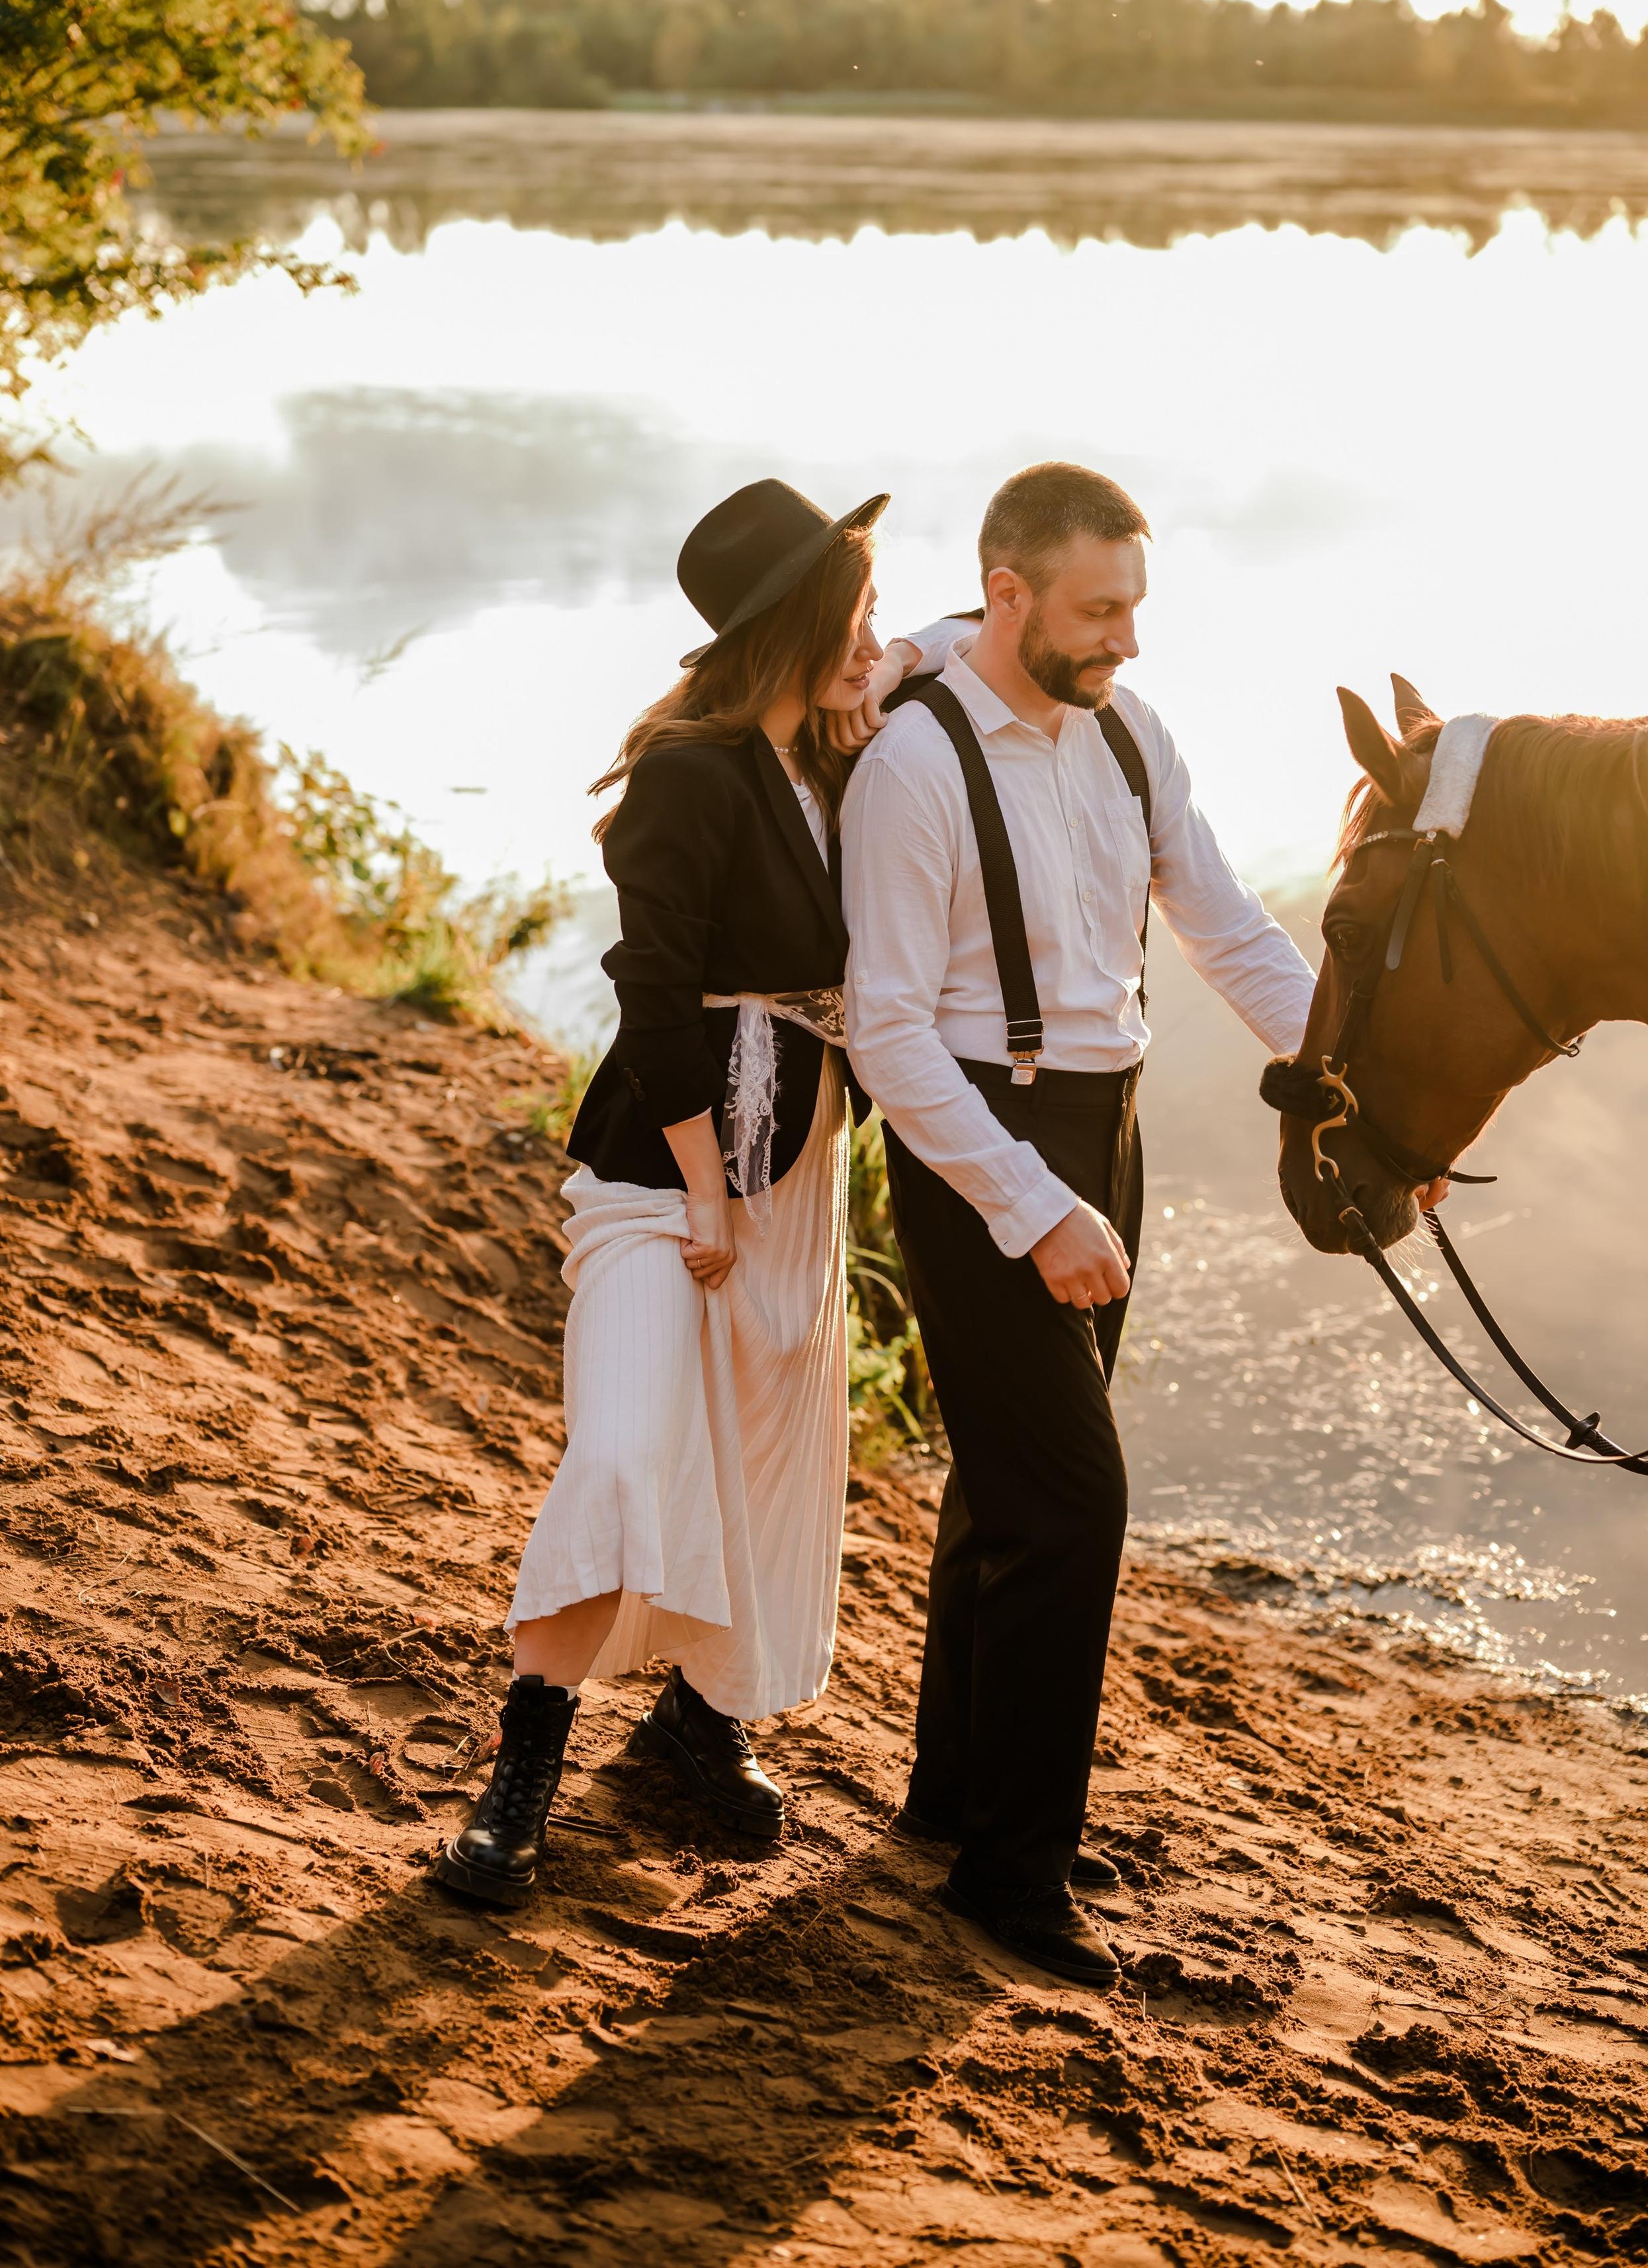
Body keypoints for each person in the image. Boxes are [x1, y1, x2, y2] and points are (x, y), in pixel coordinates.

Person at [840, 460, 1318, 1989]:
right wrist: (1033, 1208)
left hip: (1103, 1123)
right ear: (1006, 594)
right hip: (976, 1136)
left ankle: (954, 1796)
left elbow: (1225, 925)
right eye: (1098, 608)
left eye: (1133, 605)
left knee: (1005, 1479)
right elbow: (889, 1031)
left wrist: (1354, 1084)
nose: (1125, 637)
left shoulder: (1128, 732)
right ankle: (1010, 1871)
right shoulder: (913, 761)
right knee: (1072, 1502)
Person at [437, 478, 889, 1907]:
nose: (874, 632)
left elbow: (944, 654)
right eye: (857, 610)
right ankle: (522, 1779)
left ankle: (702, 1715)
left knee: (758, 1458)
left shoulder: (826, 766)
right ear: (798, 620)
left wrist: (886, 685)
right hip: (666, 1179)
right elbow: (648, 990)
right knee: (626, 1448)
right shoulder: (691, 772)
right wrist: (701, 1189)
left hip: (793, 1184)